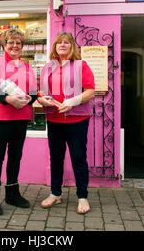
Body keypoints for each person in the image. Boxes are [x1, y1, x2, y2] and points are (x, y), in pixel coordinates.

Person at [37, 32, 95, 214]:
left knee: (78, 158)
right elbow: (40, 92)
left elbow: (90, 91)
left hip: (76, 119)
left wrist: (72, 102)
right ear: (54, 47)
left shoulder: (81, 66)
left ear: (72, 47)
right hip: (54, 119)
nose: (62, 45)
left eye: (66, 42)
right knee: (56, 157)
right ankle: (55, 194)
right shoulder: (47, 68)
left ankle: (82, 197)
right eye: (59, 42)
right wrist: (42, 100)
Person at [0, 28, 38, 215]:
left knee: (16, 156)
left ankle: (12, 194)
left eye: (18, 43)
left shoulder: (28, 67)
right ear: (4, 45)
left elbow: (34, 92)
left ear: (22, 46)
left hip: (21, 117)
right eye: (10, 42)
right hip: (0, 117)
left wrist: (28, 99)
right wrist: (9, 99)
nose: (14, 46)